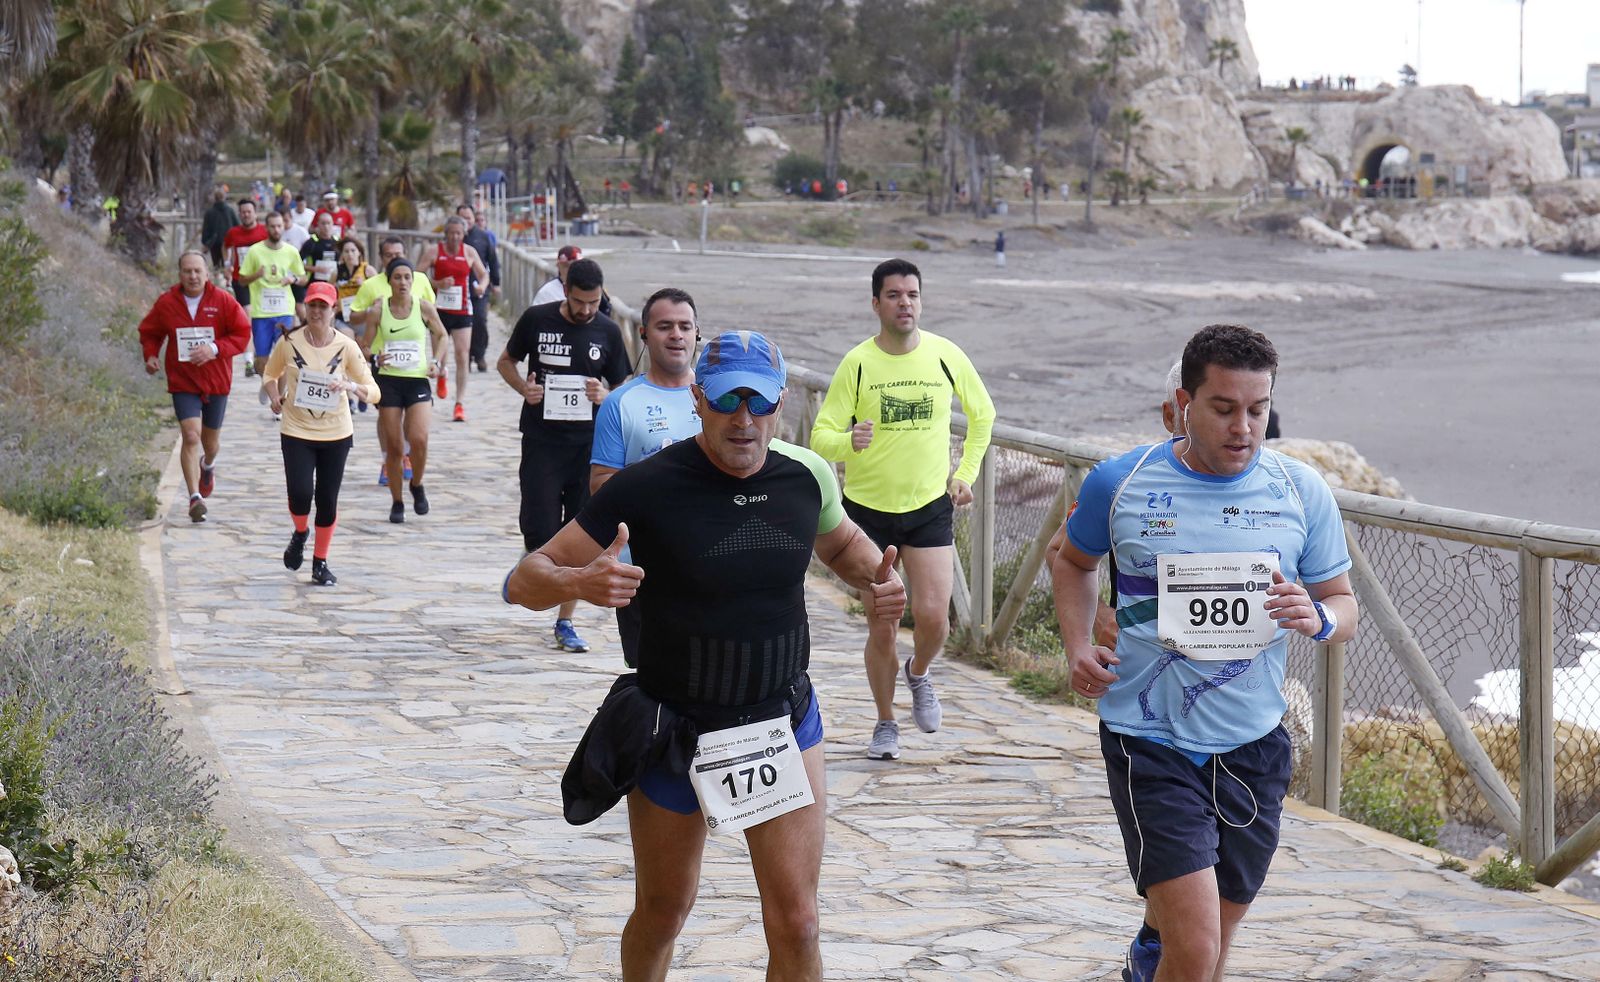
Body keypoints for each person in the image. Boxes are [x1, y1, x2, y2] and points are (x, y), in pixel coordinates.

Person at [503, 330, 906, 981]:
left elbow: (841, 549)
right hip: (676, 727)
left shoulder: (804, 476)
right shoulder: (646, 487)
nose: (744, 421)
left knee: (798, 923)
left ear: (782, 407)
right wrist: (579, 583)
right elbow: (524, 579)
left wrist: (880, 583)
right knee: (664, 912)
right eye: (726, 402)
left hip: (780, 723)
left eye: (760, 403)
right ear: (697, 399)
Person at [1049, 324, 1359, 982]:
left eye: (1258, 409)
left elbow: (1343, 603)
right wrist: (1077, 643)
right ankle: (1162, 945)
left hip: (1253, 743)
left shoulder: (1301, 492)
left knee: (1210, 946)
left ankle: (1149, 949)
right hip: (1149, 740)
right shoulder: (1120, 483)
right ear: (1183, 406)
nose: (1244, 427)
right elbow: (1071, 562)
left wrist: (1320, 616)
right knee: (1195, 951)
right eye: (1223, 409)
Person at [810, 258, 995, 761]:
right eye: (894, 295)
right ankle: (885, 722)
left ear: (921, 300)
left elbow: (983, 416)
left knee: (935, 619)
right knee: (882, 624)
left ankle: (919, 674)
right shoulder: (858, 363)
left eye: (912, 294)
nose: (905, 302)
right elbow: (820, 437)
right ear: (876, 304)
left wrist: (966, 475)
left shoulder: (945, 355)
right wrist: (851, 440)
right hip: (868, 515)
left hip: (929, 506)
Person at [497, 257, 630, 654]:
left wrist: (606, 397)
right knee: (538, 530)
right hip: (541, 440)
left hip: (588, 446)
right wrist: (525, 389)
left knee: (578, 535)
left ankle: (565, 621)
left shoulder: (607, 330)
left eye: (593, 303)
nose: (586, 310)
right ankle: (532, 569)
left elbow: (622, 382)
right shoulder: (537, 320)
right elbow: (506, 361)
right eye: (579, 302)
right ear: (565, 290)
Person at [589, 287, 703, 666]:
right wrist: (658, 483)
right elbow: (601, 486)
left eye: (685, 326)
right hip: (642, 571)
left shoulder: (717, 399)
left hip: (713, 565)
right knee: (651, 682)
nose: (676, 335)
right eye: (664, 326)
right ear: (643, 333)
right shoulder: (621, 403)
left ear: (697, 334)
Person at [263, 282, 381, 587]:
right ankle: (300, 532)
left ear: (334, 310)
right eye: (312, 305)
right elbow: (269, 374)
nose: (317, 312)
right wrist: (275, 396)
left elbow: (374, 391)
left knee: (327, 500)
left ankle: (320, 561)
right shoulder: (289, 342)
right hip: (296, 429)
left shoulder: (347, 346)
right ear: (304, 308)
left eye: (323, 306)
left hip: (336, 432)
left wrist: (351, 387)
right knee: (301, 494)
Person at [138, 250, 252, 523]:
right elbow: (150, 331)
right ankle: (194, 498)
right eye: (187, 271)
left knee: (210, 443)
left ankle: (207, 464)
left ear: (207, 274)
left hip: (215, 381)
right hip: (184, 381)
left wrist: (214, 348)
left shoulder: (222, 301)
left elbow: (242, 332)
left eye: (197, 271)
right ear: (179, 274)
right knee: (191, 436)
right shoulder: (168, 302)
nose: (192, 276)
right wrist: (151, 355)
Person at [365, 258, 448, 524]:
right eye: (397, 277)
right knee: (395, 446)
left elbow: (442, 335)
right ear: (389, 281)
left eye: (407, 278)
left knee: (419, 438)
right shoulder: (379, 310)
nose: (403, 282)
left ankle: (417, 484)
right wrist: (375, 357)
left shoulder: (423, 307)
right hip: (389, 381)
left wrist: (435, 361)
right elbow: (364, 345)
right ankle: (397, 500)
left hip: (416, 381)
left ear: (413, 281)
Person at [351, 237, 436, 485]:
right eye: (388, 255)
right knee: (388, 418)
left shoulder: (419, 280)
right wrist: (371, 311)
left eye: (398, 253)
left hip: (415, 365)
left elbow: (433, 318)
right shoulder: (371, 285)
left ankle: (406, 454)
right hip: (383, 362)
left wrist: (438, 362)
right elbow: (353, 315)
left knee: (413, 420)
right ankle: (389, 458)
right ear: (381, 258)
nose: (393, 258)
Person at [421, 215, 488, 422]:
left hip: (462, 310)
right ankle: (441, 372)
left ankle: (459, 404)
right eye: (451, 233)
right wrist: (437, 283)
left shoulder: (469, 252)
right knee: (439, 354)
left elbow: (484, 274)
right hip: (438, 311)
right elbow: (417, 274)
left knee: (462, 354)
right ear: (445, 233)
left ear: (463, 234)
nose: (454, 237)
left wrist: (481, 287)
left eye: (458, 233)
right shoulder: (434, 252)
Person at [236, 210, 307, 384]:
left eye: (279, 226)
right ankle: (267, 383)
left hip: (284, 311)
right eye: (273, 226)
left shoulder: (291, 251)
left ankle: (279, 400)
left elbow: (304, 278)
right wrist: (256, 275)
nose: (276, 229)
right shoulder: (255, 251)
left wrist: (294, 279)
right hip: (262, 313)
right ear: (266, 228)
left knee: (285, 356)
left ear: (284, 227)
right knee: (261, 361)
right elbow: (242, 280)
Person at [222, 198, 269, 372]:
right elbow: (225, 246)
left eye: (249, 211)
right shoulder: (233, 233)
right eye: (242, 212)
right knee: (247, 316)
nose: (246, 215)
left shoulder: (264, 232)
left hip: (262, 282)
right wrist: (227, 264)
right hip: (241, 279)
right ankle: (249, 360)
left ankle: (260, 354)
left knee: (259, 318)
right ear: (239, 214)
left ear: (255, 213)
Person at [458, 203, 501, 373]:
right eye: (462, 218)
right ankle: (466, 357)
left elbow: (493, 260)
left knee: (480, 320)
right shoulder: (454, 237)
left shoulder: (482, 237)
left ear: (473, 219)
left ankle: (480, 354)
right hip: (458, 291)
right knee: (463, 325)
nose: (466, 221)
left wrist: (495, 283)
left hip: (480, 288)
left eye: (468, 218)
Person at [298, 212, 342, 324]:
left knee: (330, 314)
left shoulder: (337, 242)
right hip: (314, 285)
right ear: (318, 225)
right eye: (323, 223)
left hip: (332, 286)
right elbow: (297, 263)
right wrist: (314, 269)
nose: (326, 226)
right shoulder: (311, 243)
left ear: (333, 225)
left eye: (328, 223)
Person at [334, 237, 377, 339]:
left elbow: (379, 292)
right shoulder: (336, 272)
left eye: (353, 251)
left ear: (359, 253)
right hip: (343, 317)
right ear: (342, 254)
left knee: (362, 349)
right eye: (346, 251)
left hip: (362, 317)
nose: (350, 254)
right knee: (349, 343)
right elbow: (329, 291)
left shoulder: (368, 270)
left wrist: (365, 285)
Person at [199, 187, 238, 274]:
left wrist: (205, 242)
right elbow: (237, 225)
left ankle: (218, 282)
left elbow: (206, 229)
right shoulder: (230, 211)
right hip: (228, 242)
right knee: (227, 265)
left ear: (214, 198)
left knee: (216, 265)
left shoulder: (209, 212)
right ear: (224, 197)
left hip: (214, 243)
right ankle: (227, 283)